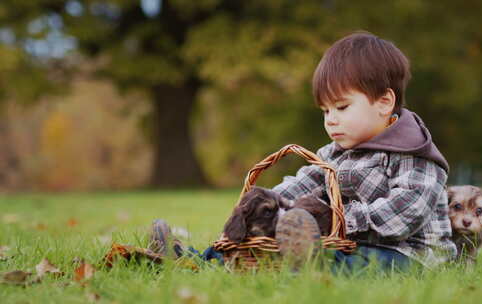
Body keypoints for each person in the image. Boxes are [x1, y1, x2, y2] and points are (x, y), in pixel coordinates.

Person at [149, 31, 456, 273]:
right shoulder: (336, 152)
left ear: (384, 103)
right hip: (348, 243)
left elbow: (405, 213)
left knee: (342, 263)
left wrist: (336, 220)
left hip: (411, 256)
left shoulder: (415, 153)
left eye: (341, 107)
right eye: (324, 111)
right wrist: (270, 209)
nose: (331, 119)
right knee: (259, 244)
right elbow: (301, 184)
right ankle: (192, 261)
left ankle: (294, 265)